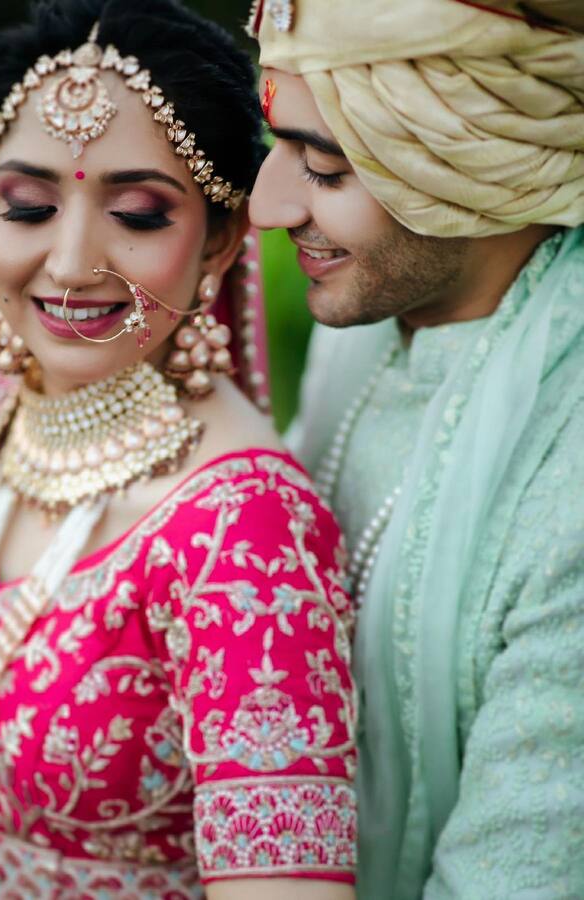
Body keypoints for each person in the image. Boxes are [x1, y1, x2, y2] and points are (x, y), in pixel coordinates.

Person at [0, 1, 359, 897]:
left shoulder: (247, 531)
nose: (70, 262)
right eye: (28, 206)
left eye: (136, 214)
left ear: (219, 241)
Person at [247, 1, 584, 898]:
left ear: (473, 161)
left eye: (323, 165)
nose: (266, 204)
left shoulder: (570, 488)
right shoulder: (365, 338)